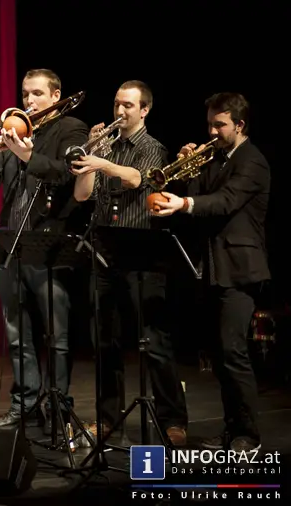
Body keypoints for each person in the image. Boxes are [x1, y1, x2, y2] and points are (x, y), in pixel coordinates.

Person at [72, 80, 188, 446]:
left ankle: (173, 419)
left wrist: (103, 162)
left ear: (144, 110)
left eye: (128, 105)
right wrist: (90, 156)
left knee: (154, 342)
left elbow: (138, 179)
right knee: (105, 342)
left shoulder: (153, 147)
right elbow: (83, 195)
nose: (119, 111)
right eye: (116, 104)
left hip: (143, 256)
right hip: (105, 253)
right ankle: (109, 420)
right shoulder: (105, 148)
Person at [151, 92, 269, 452]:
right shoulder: (216, 160)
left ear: (240, 125)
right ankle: (232, 430)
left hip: (240, 269)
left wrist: (185, 202)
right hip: (212, 267)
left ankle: (249, 434)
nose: (212, 132)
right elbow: (198, 198)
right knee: (218, 356)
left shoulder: (252, 161)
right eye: (210, 124)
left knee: (233, 353)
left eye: (220, 125)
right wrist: (189, 169)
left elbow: (225, 201)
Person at [0, 69, 88, 430]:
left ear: (56, 96)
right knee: (17, 334)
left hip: (49, 245)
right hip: (12, 245)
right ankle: (24, 404)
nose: (29, 101)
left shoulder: (71, 128)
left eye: (38, 94)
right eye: (26, 94)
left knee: (57, 336)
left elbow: (67, 172)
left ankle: (58, 407)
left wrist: (27, 156)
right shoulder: (17, 128)